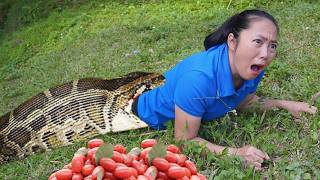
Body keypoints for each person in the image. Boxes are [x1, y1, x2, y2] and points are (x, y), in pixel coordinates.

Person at [131, 9, 318, 171]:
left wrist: (286, 105)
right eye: (258, 41)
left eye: (272, 46)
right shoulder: (199, 79)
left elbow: (245, 101)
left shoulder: (253, 65)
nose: (265, 54)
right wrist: (236, 154)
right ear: (232, 41)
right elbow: (184, 141)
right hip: (140, 111)